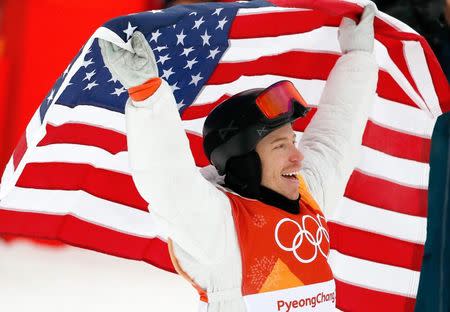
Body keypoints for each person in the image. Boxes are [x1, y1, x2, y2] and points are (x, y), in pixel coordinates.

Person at [99, 2, 378, 311]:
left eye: (293, 141)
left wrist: (359, 59)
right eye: (280, 146)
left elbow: (337, 136)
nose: (298, 157)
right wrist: (148, 94)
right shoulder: (219, 228)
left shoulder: (308, 194)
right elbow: (167, 179)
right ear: (245, 161)